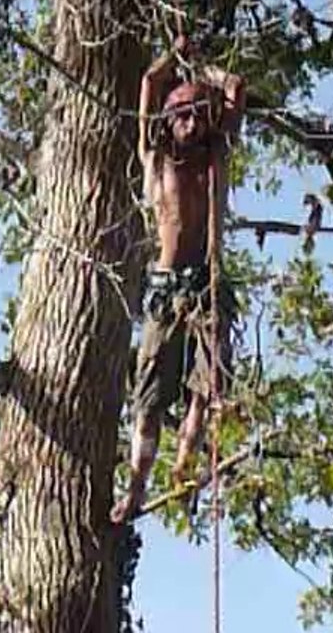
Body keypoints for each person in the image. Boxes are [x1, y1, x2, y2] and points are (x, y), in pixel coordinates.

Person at [110, 37, 245, 524]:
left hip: (207, 284)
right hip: (167, 290)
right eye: (181, 115)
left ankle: (184, 468)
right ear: (168, 121)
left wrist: (201, 72)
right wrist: (177, 52)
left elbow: (236, 87)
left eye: (197, 114)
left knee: (208, 389)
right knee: (148, 396)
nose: (190, 122)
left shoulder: (216, 157)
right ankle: (137, 487)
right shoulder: (155, 158)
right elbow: (150, 82)